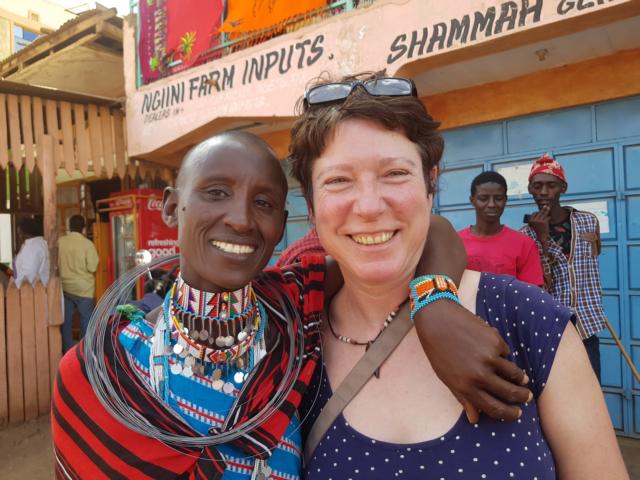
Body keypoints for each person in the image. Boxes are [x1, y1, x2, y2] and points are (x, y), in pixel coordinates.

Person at [52, 131, 531, 479]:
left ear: (281, 225)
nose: (241, 220)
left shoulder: (292, 306)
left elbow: (432, 232)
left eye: (263, 203)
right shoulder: (100, 371)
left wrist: (436, 309)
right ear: (172, 206)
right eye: (216, 192)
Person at [290, 73, 627, 479]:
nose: (369, 206)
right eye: (338, 180)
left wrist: (433, 299)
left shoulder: (529, 320)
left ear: (431, 184)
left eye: (394, 173)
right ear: (310, 203)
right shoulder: (289, 341)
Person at [522, 154, 607, 381]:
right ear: (530, 189)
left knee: (591, 390)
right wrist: (543, 239)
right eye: (537, 186)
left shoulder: (588, 221)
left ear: (563, 188)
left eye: (551, 185)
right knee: (557, 393)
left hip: (587, 324)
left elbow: (592, 261)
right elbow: (542, 284)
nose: (543, 192)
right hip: (549, 331)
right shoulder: (526, 235)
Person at [458, 171, 543, 285]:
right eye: (483, 198)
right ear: (472, 200)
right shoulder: (455, 242)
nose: (491, 204)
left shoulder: (524, 244)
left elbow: (531, 292)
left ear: (505, 200)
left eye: (498, 198)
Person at [58, 214, 100, 352]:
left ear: (69, 227)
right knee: (86, 321)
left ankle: (67, 351)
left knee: (66, 323)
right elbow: (92, 267)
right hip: (84, 289)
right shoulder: (88, 244)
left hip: (65, 287)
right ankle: (84, 352)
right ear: (84, 228)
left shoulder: (60, 242)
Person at [13, 216, 49, 287]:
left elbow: (28, 274)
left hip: (34, 290)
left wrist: (16, 286)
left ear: (26, 233)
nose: (19, 236)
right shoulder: (41, 242)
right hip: (42, 287)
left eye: (20, 233)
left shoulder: (32, 247)